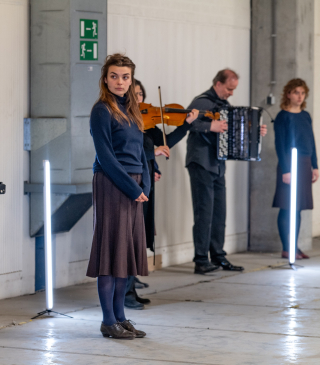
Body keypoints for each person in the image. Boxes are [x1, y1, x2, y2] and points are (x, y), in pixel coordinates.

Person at [86, 53, 149, 340]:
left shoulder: (134, 112)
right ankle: (107, 320)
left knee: (126, 253)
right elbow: (106, 157)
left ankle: (121, 317)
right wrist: (132, 188)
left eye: (125, 77)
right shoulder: (102, 110)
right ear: (106, 79)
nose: (120, 82)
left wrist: (144, 184)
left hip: (133, 186)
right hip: (112, 183)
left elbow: (141, 153)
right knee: (111, 252)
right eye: (114, 76)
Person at [124, 80, 198, 309]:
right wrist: (151, 155)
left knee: (139, 236)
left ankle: (130, 289)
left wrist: (186, 125)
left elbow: (166, 144)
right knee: (129, 238)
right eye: (134, 94)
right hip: (130, 185)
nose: (139, 99)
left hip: (144, 184)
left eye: (141, 94)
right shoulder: (123, 122)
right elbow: (128, 150)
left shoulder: (146, 124)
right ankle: (125, 293)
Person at [186, 69, 267, 274]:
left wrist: (256, 131)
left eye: (234, 89)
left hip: (218, 165)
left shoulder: (225, 106)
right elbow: (186, 122)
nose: (231, 93)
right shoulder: (202, 101)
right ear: (218, 84)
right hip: (201, 163)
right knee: (204, 213)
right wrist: (209, 126)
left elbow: (234, 131)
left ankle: (218, 256)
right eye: (229, 89)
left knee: (219, 214)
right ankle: (201, 259)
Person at [273, 78, 318, 259]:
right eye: (296, 92)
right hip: (289, 163)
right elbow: (279, 144)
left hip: (305, 163)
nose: (300, 96)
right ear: (288, 94)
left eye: (302, 93)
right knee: (287, 206)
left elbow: (312, 142)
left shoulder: (306, 116)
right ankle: (286, 248)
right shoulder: (282, 116)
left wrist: (315, 165)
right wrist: (286, 170)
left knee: (297, 207)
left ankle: (295, 246)